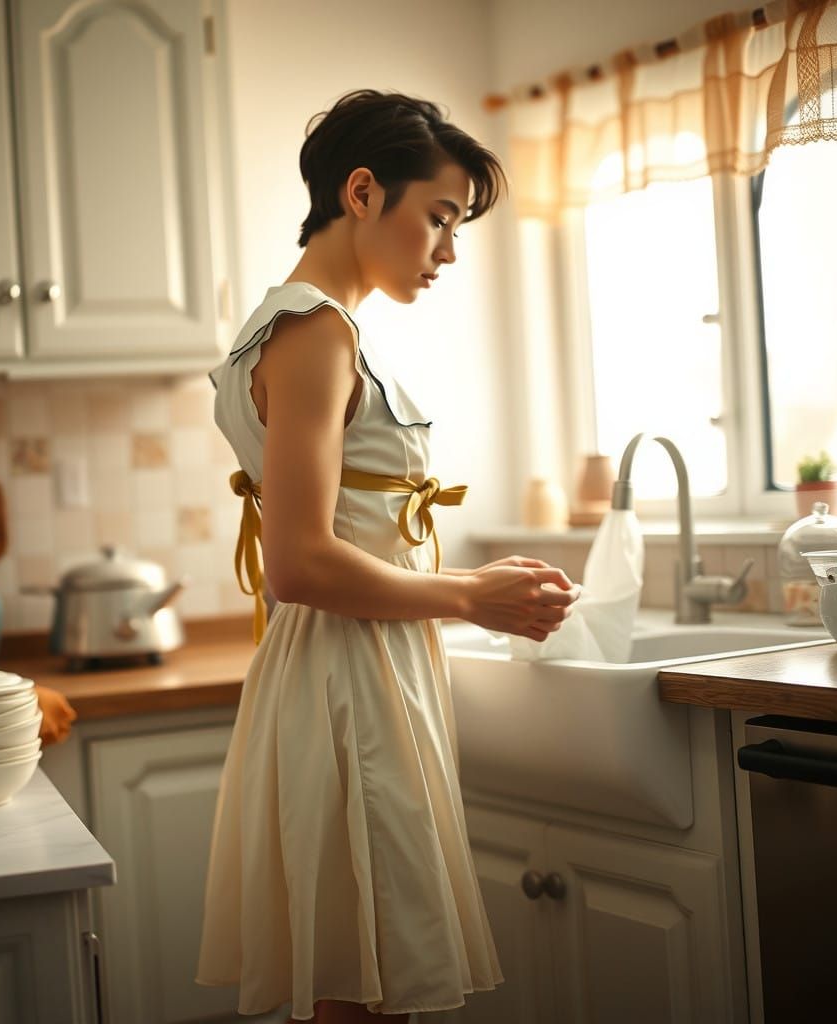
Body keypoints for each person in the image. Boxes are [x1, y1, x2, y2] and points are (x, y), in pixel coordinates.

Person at [194, 88, 581, 1024]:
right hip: (348, 678)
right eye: (439, 218)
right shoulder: (317, 331)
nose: (448, 250)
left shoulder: (292, 326)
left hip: (347, 666)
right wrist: (469, 595)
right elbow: (299, 563)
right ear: (362, 192)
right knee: (366, 991)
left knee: (358, 982)